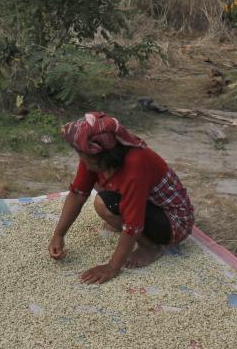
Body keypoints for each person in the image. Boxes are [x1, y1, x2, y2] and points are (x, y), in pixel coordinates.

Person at [48, 112, 194, 284]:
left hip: (174, 222)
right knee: (103, 198)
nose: (85, 164)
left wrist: (111, 267)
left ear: (105, 157)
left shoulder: (135, 166)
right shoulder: (94, 153)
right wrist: (59, 235)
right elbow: (78, 193)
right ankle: (123, 221)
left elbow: (133, 225)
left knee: (103, 204)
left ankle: (150, 247)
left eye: (89, 161)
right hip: (148, 203)